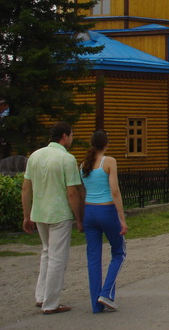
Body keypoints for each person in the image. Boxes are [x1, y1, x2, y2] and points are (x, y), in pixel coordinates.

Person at [21, 121, 83, 315]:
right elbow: (72, 192)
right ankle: (51, 303)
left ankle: (41, 296)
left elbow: (26, 188)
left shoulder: (35, 156)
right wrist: (79, 218)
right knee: (58, 257)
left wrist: (26, 215)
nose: (72, 139)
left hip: (39, 212)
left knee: (47, 253)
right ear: (64, 136)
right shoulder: (67, 159)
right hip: (59, 213)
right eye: (71, 135)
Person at [81, 130, 128, 313]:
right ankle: (106, 293)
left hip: (89, 211)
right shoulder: (109, 161)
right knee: (118, 252)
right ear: (106, 144)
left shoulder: (83, 164)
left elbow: (82, 190)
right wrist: (122, 219)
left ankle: (96, 305)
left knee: (93, 258)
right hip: (106, 210)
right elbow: (114, 191)